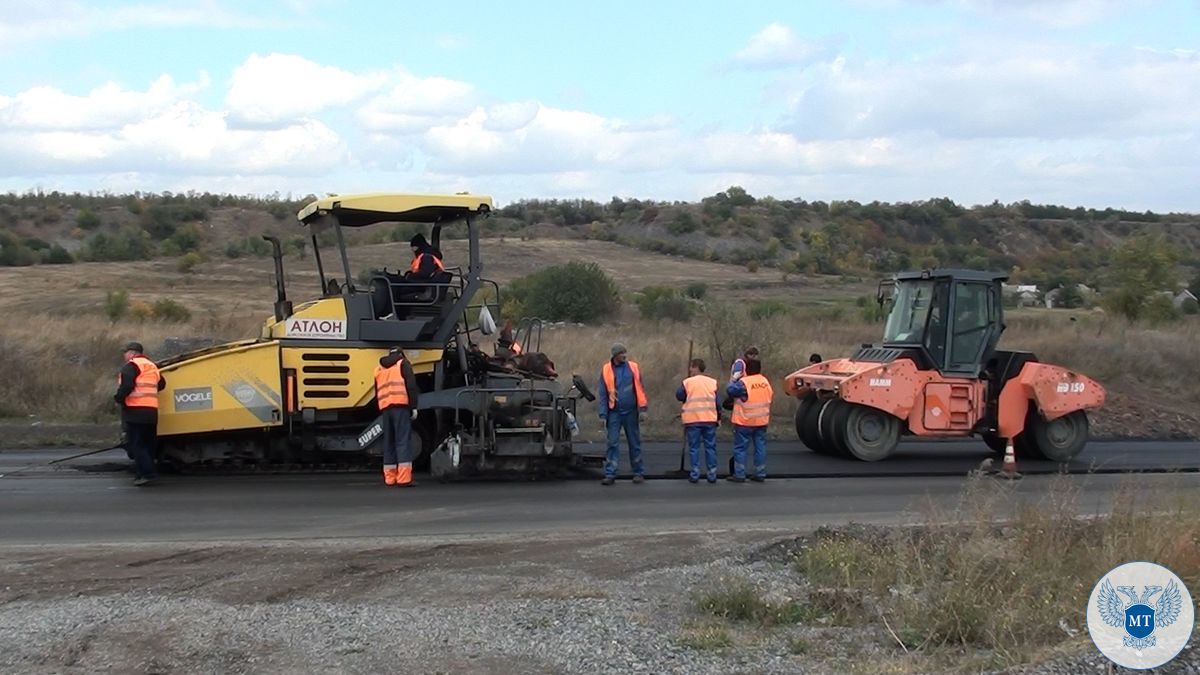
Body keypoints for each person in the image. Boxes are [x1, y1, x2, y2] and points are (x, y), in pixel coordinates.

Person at [113, 342, 165, 486]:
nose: (124, 355)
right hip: (151, 411)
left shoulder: (131, 366)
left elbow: (127, 386)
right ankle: (144, 472)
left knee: (136, 444)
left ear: (132, 353)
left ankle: (147, 474)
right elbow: (161, 385)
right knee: (148, 445)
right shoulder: (152, 366)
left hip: (135, 410)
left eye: (125, 352)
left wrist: (118, 398)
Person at [597, 342, 648, 485]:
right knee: (612, 443)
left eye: (625, 353)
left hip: (631, 412)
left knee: (634, 442)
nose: (624, 355)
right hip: (614, 413)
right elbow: (603, 394)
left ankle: (638, 472)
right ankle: (610, 473)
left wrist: (643, 409)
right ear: (615, 355)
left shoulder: (633, 367)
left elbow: (640, 389)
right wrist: (603, 414)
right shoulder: (606, 370)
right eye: (621, 353)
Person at [374, 346, 421, 487]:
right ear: (401, 354)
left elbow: (377, 390)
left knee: (389, 442)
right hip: (400, 407)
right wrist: (413, 406)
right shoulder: (403, 364)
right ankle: (404, 479)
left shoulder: (379, 369)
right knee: (402, 441)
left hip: (386, 409)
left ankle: (389, 478)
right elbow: (411, 386)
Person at [725, 357, 774, 482]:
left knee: (741, 448)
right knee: (760, 447)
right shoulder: (765, 381)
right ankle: (760, 473)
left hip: (745, 421)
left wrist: (734, 379)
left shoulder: (744, 383)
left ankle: (740, 474)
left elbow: (730, 390)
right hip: (762, 421)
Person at [676, 358, 720, 484]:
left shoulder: (687, 382)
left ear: (695, 367)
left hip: (693, 419)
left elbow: (679, 395)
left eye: (691, 367)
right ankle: (712, 473)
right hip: (709, 419)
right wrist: (719, 417)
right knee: (710, 447)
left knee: (694, 448)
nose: (690, 370)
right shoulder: (712, 382)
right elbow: (717, 403)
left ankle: (695, 473)